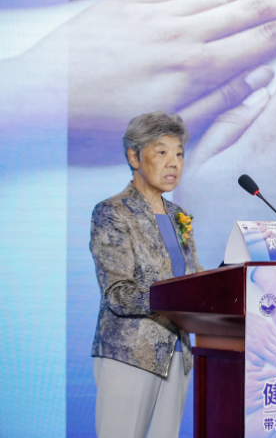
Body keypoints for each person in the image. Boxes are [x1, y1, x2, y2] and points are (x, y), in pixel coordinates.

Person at [90, 111, 204, 438]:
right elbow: (117, 293)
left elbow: (194, 277)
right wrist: (173, 299)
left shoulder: (179, 216)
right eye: (162, 152)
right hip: (131, 354)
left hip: (178, 353)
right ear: (134, 157)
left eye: (179, 154)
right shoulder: (112, 212)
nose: (173, 163)